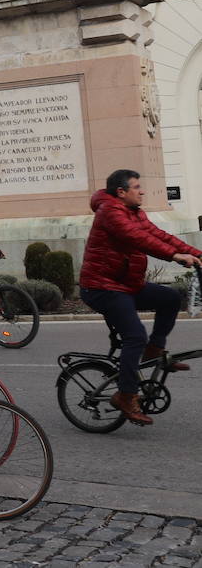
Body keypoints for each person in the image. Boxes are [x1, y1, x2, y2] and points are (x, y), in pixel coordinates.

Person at [79, 169, 202, 425]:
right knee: (134, 335)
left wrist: (195, 253)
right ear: (121, 192)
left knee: (169, 298)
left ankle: (153, 351)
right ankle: (126, 395)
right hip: (103, 287)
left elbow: (158, 235)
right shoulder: (110, 213)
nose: (142, 190)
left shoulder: (134, 212)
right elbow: (138, 239)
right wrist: (174, 256)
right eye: (137, 187)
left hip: (127, 284)